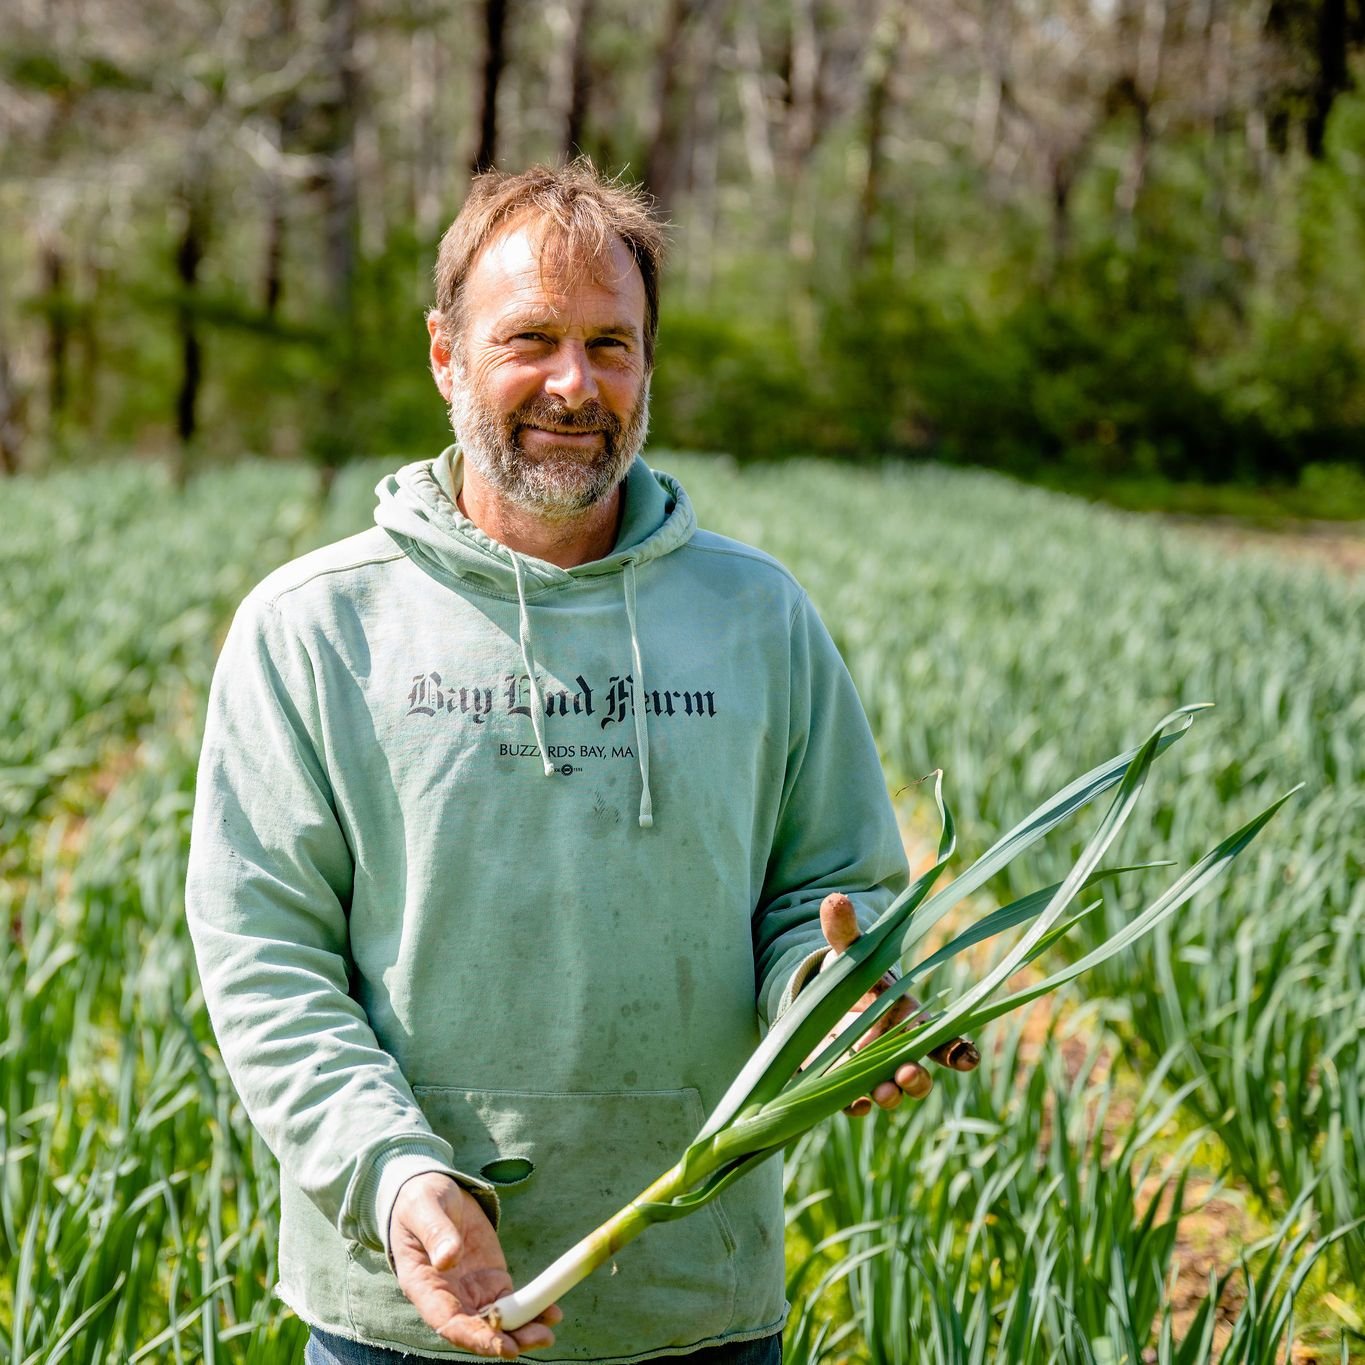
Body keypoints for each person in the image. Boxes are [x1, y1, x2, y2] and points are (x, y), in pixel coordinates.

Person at [185, 159, 977, 1365]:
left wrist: (837, 1001)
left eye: (612, 344)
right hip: (406, 1304)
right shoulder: (315, 629)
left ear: (650, 363)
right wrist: (394, 1178)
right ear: (446, 356)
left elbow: (827, 895)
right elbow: (265, 959)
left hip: (695, 1301)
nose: (575, 383)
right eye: (532, 339)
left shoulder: (759, 619)